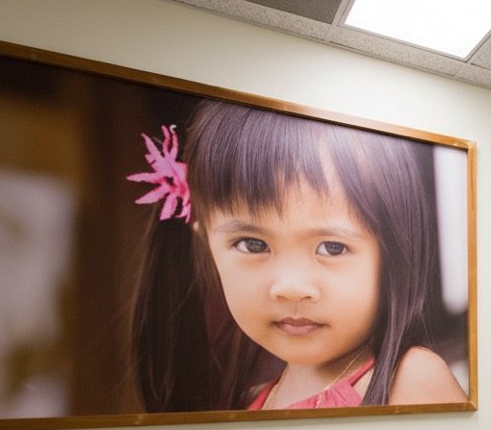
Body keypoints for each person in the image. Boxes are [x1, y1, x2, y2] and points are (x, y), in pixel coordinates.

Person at [128, 101, 468, 412]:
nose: (291, 288)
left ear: (391, 252)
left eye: (332, 247)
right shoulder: (250, 401)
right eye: (253, 244)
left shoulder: (410, 381)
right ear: (206, 244)